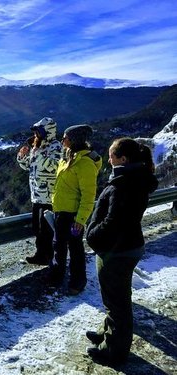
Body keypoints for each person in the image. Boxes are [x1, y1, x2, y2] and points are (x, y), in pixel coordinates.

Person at [85, 138, 158, 365]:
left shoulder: (123, 185)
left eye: (112, 155)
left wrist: (92, 235)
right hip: (129, 246)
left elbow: (113, 222)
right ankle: (107, 334)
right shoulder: (137, 179)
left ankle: (113, 351)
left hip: (117, 251)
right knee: (117, 299)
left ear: (123, 159)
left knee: (117, 304)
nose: (109, 159)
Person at [47, 124, 102, 294]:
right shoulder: (68, 157)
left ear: (74, 140)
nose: (62, 140)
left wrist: (80, 220)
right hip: (60, 212)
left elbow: (88, 195)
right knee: (58, 246)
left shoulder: (85, 163)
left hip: (72, 215)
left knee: (75, 249)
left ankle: (77, 283)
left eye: (66, 138)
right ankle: (57, 277)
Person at [17, 117, 62, 265]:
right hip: (36, 195)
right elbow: (30, 167)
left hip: (48, 197)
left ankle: (48, 256)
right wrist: (22, 157)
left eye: (38, 132)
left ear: (47, 132)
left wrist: (39, 152)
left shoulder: (56, 147)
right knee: (37, 229)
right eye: (36, 132)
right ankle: (40, 254)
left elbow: (55, 167)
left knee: (46, 230)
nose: (35, 135)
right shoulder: (38, 147)